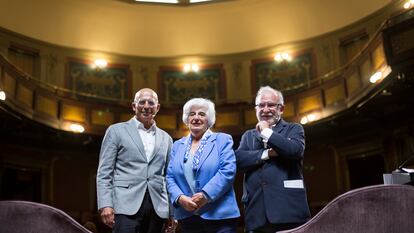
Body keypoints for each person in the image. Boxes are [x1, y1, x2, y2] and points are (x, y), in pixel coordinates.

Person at [97, 88, 176, 233]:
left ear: (157, 108)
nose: (146, 106)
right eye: (142, 102)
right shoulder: (116, 131)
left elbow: (169, 177)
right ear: (134, 106)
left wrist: (172, 212)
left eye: (151, 102)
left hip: (158, 208)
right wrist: (106, 204)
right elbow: (104, 172)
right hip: (125, 205)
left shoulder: (167, 138)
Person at [235, 86, 311, 233]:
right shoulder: (248, 135)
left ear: (281, 109)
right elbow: (239, 160)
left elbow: (294, 150)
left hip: (289, 210)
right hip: (256, 213)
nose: (265, 109)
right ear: (256, 109)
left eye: (270, 105)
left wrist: (266, 132)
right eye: (261, 105)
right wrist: (268, 154)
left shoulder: (294, 129)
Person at [166, 98, 240, 233]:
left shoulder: (222, 140)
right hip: (187, 216)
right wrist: (179, 198)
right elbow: (170, 177)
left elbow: (227, 171)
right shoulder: (177, 145)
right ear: (186, 119)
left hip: (220, 216)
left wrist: (205, 195)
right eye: (192, 114)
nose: (196, 118)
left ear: (209, 119)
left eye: (202, 114)